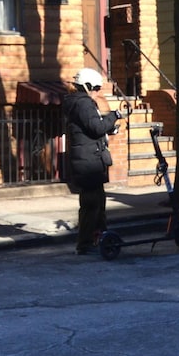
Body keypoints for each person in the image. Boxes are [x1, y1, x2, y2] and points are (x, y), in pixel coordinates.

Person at [63, 68, 122, 255]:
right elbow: (96, 127)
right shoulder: (83, 103)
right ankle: (85, 243)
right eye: (96, 87)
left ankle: (102, 236)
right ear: (87, 86)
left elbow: (90, 129)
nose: (98, 91)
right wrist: (114, 116)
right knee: (91, 205)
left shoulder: (80, 103)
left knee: (99, 202)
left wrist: (109, 129)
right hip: (88, 162)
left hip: (89, 159)